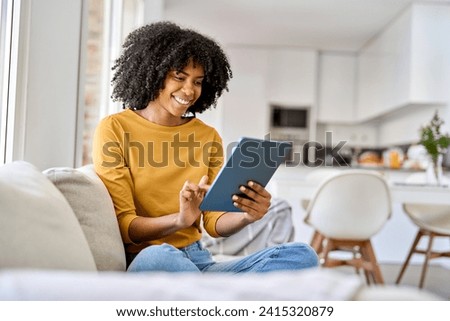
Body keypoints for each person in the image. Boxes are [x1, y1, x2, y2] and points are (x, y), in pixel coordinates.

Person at [92, 21, 318, 273]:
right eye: (179, 77)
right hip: (149, 258)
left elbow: (213, 221)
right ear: (155, 74)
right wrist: (179, 220)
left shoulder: (207, 136)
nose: (189, 91)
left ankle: (208, 294)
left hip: (197, 260)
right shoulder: (115, 128)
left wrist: (247, 216)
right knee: (160, 255)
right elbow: (126, 226)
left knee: (301, 255)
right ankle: (219, 295)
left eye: (198, 82)